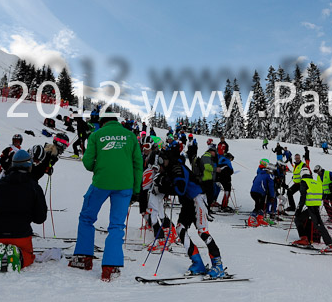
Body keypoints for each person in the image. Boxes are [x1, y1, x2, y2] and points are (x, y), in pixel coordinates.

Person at [68, 111, 142, 282]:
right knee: (117, 225)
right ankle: (110, 266)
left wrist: (101, 168)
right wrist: (136, 189)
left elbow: (87, 162)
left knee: (86, 217)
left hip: (101, 183)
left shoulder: (97, 135)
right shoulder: (130, 136)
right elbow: (138, 164)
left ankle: (84, 258)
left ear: (102, 122)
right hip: (125, 186)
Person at [0, 150, 48, 273]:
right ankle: (20, 256)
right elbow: (40, 218)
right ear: (29, 166)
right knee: (29, 255)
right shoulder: (34, 187)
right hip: (21, 235)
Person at [156, 151, 226, 278]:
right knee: (180, 229)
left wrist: (162, 187)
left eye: (162, 161)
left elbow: (180, 188)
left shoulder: (177, 168)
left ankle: (218, 265)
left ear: (167, 160)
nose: (161, 164)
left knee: (203, 232)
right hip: (188, 201)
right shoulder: (171, 169)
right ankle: (197, 262)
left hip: (197, 198)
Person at [292, 167, 332, 253]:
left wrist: (298, 210)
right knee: (300, 219)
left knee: (317, 225)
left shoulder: (304, 182)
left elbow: (303, 197)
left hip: (311, 207)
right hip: (316, 207)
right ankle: (305, 238)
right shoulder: (316, 182)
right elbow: (322, 194)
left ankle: (329, 244)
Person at [248, 159, 275, 227]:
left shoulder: (260, 173)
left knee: (261, 205)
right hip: (259, 192)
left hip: (253, 191)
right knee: (258, 206)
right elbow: (271, 186)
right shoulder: (269, 176)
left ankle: (260, 218)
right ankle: (251, 219)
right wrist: (272, 196)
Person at [200, 144, 218, 210]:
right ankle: (206, 210)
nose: (215, 153)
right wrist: (216, 169)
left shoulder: (208, 157)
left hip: (208, 178)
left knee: (209, 196)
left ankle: (207, 209)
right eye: (214, 152)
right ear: (211, 151)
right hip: (206, 179)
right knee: (208, 196)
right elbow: (207, 167)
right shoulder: (206, 156)